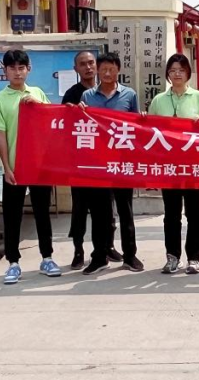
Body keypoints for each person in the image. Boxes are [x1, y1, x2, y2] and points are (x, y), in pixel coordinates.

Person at [0, 49, 61, 285]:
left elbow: (52, 121)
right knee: (12, 216)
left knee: (42, 213)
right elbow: (1, 135)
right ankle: (13, 262)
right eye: (12, 68)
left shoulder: (37, 93)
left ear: (28, 69)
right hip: (15, 167)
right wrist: (7, 167)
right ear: (5, 71)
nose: (17, 72)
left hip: (39, 165)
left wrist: (38, 104)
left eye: (21, 68)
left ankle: (47, 258)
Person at [148, 54, 199, 275]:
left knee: (194, 212)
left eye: (181, 70)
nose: (177, 74)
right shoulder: (158, 100)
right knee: (171, 214)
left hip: (194, 165)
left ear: (188, 73)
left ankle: (194, 257)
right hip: (169, 166)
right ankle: (172, 256)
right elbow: (149, 132)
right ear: (168, 74)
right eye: (173, 70)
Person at [80, 52, 144, 274]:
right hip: (97, 163)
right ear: (98, 71)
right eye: (103, 69)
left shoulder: (129, 95)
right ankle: (100, 256)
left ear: (118, 70)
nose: (107, 73)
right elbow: (81, 124)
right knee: (100, 214)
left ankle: (130, 256)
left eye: (111, 69)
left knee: (125, 211)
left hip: (121, 162)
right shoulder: (87, 96)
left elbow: (137, 127)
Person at [61, 51, 121, 270]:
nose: (88, 67)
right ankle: (78, 250)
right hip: (80, 162)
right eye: (82, 64)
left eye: (91, 63)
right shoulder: (72, 94)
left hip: (106, 161)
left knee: (107, 208)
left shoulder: (109, 91)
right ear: (76, 69)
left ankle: (108, 246)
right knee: (80, 208)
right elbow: (65, 126)